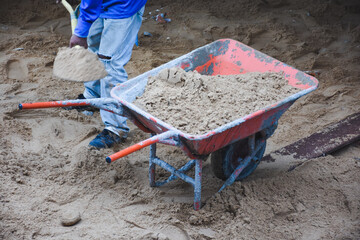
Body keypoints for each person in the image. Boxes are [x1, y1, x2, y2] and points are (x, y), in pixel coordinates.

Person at [63, 0, 147, 148]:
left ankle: (116, 128)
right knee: (93, 46)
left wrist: (80, 31)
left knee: (110, 62)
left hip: (123, 6)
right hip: (101, 4)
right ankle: (93, 96)